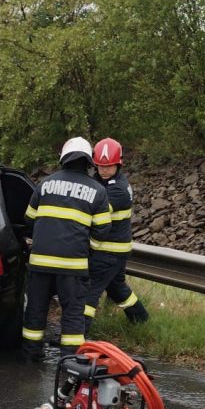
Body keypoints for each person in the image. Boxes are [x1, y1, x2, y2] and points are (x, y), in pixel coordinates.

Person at [22, 136, 112, 359]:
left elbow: (29, 219)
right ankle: (69, 362)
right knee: (72, 314)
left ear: (63, 159)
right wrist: (86, 249)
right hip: (73, 267)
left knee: (35, 311)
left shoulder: (45, 184)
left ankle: (31, 356)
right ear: (89, 162)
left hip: (40, 264)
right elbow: (103, 229)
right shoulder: (98, 191)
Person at [85, 137, 149, 335]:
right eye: (100, 166)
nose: (104, 170)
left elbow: (94, 212)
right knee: (117, 288)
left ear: (118, 164)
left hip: (109, 250)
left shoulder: (118, 190)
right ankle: (141, 321)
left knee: (89, 291)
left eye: (108, 166)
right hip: (114, 248)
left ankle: (76, 334)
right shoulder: (101, 180)